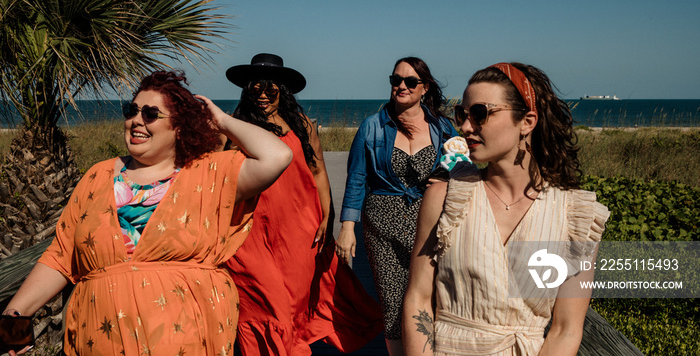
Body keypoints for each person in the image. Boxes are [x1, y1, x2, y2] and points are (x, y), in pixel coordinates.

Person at [1, 70, 293, 355]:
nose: (137, 121)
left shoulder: (209, 172)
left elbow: (277, 156)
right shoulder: (97, 176)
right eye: (132, 111)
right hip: (100, 336)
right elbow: (62, 255)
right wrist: (14, 317)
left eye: (151, 114)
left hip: (185, 336)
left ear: (179, 126)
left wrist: (222, 120)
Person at [403, 63, 611, 355]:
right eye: (462, 114)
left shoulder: (576, 217)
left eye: (480, 113)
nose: (465, 127)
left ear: (526, 121)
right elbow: (418, 298)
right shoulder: (445, 198)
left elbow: (566, 329)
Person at [224, 53, 383, 356]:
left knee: (294, 303)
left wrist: (328, 218)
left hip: (298, 232)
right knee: (264, 304)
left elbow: (320, 173)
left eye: (271, 89)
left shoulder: (303, 127)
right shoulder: (234, 129)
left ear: (283, 91)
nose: (262, 95)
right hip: (250, 234)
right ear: (247, 90)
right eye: (255, 88)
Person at [336, 57, 457, 356]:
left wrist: (442, 178)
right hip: (382, 226)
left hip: (430, 225)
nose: (401, 86)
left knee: (433, 297)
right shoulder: (373, 126)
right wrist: (347, 227)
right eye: (396, 80)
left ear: (424, 88)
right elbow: (357, 178)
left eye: (410, 81)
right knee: (392, 302)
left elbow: (462, 167)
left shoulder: (443, 128)